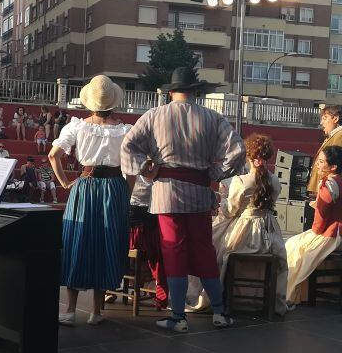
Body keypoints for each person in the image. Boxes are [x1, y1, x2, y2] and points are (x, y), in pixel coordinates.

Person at [121, 66, 245, 332]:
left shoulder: (154, 115)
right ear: (195, 91)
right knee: (204, 250)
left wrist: (145, 168)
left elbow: (128, 146)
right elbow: (238, 150)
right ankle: (219, 312)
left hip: (166, 193)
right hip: (200, 191)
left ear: (171, 91)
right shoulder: (213, 118)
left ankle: (178, 317)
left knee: (173, 250)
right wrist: (214, 172)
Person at [49, 75, 131, 326]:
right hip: (115, 187)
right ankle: (97, 312)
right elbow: (133, 168)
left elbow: (54, 155)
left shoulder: (77, 127)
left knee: (78, 239)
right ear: (114, 102)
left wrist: (64, 183)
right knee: (106, 243)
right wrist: (125, 194)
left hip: (85, 186)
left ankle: (71, 310)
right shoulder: (126, 130)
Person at [189, 134, 289, 313]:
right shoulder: (275, 181)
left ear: (249, 156)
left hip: (245, 231)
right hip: (269, 233)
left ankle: (219, 297)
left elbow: (230, 211)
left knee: (215, 249)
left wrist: (224, 197)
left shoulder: (241, 181)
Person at [285, 146, 342, 305]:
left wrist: (313, 232)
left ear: (333, 167)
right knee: (297, 243)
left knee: (293, 246)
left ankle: (292, 293)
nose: (317, 164)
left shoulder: (328, 185)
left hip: (332, 235)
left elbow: (320, 222)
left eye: (321, 162)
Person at [127, 177, 168, 311]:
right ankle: (155, 290)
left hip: (142, 215)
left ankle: (111, 288)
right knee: (156, 253)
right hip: (145, 216)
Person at [307, 104, 342, 196]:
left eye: (325, 118)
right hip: (329, 190)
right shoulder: (337, 135)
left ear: (335, 119)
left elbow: (336, 166)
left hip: (331, 192)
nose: (322, 123)